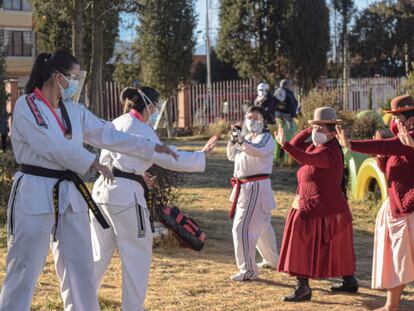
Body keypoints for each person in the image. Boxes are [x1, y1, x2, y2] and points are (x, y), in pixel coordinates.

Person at [0, 50, 176, 311]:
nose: (76, 82)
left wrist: (148, 147)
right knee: (24, 266)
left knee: (80, 268)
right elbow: (53, 146)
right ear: (56, 76)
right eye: (72, 76)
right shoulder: (28, 105)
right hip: (35, 190)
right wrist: (90, 161)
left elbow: (108, 133)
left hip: (70, 194)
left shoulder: (73, 110)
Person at [90, 86, 218, 311]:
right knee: (137, 256)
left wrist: (139, 171)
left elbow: (116, 158)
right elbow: (168, 157)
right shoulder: (142, 129)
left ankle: (81, 303)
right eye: (156, 108)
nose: (156, 112)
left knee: (98, 254)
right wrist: (200, 155)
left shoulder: (117, 122)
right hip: (126, 197)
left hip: (101, 192)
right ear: (149, 106)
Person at [336, 95, 414, 311]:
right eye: (393, 117)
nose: (394, 121)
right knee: (397, 260)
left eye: (397, 117)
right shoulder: (400, 141)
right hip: (396, 207)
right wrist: (380, 156)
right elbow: (387, 167)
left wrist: (352, 144)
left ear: (410, 119)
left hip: (410, 209)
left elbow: (388, 145)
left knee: (404, 259)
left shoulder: (409, 139)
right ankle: (391, 305)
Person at [275, 107, 358, 302]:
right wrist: (309, 128)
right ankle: (349, 281)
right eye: (315, 128)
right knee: (336, 247)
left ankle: (302, 287)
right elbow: (298, 145)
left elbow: (304, 158)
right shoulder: (317, 146)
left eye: (321, 129)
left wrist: (285, 145)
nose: (316, 133)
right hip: (321, 205)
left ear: (332, 132)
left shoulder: (330, 152)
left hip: (320, 207)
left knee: (302, 245)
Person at [227, 105, 279, 281]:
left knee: (241, 228)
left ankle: (247, 270)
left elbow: (257, 151)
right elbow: (231, 155)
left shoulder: (266, 138)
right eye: (249, 117)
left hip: (256, 186)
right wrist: (234, 138)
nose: (252, 121)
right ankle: (272, 260)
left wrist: (241, 141)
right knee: (263, 228)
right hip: (245, 187)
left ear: (263, 120)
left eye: (256, 118)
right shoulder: (248, 137)